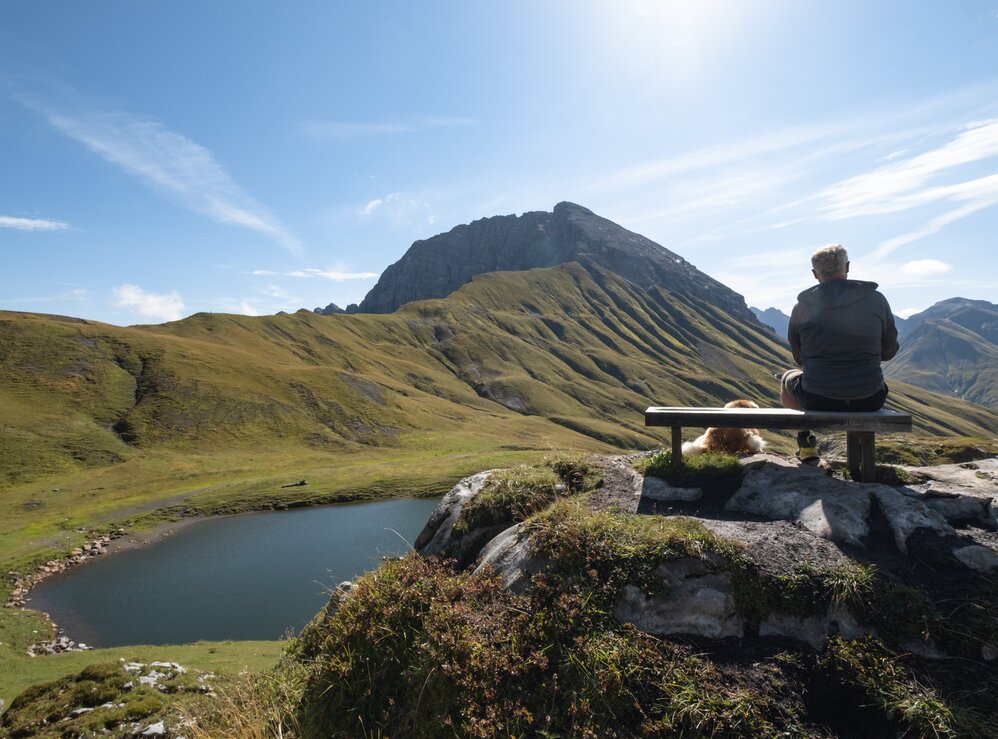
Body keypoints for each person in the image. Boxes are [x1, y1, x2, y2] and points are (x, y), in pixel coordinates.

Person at [780, 244, 899, 461]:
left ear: (815, 274)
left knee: (788, 377)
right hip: (870, 397)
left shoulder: (801, 307)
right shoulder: (877, 300)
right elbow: (889, 351)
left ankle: (806, 445)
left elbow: (798, 359)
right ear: (847, 267)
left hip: (817, 397)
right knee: (868, 382)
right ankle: (863, 457)